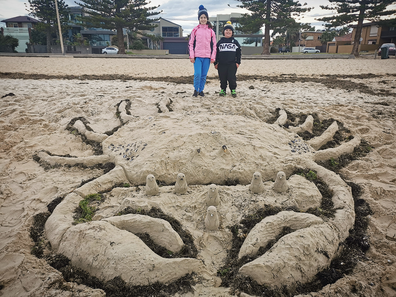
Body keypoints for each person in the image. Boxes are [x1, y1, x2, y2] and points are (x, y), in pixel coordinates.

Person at [189, 5, 217, 97]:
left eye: (205, 17)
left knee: (204, 75)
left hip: (207, 57)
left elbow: (214, 45)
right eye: (201, 17)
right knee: (197, 74)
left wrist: (213, 57)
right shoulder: (195, 30)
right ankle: (195, 89)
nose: (203, 19)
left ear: (207, 18)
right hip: (198, 56)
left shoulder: (211, 31)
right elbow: (191, 43)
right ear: (199, 19)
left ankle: (201, 90)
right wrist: (192, 55)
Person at [214, 21, 241, 97]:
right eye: (226, 30)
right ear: (223, 32)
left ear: (232, 32)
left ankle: (233, 90)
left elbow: (239, 53)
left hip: (232, 64)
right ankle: (223, 90)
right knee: (222, 78)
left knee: (231, 77)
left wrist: (238, 62)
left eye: (230, 30)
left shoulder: (235, 42)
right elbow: (216, 53)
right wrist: (215, 63)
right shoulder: (220, 42)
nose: (228, 32)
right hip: (221, 64)